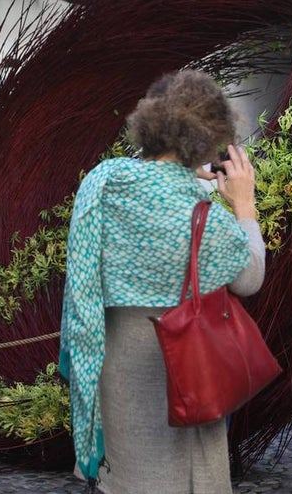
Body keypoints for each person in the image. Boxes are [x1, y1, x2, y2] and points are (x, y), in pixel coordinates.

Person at [59, 69, 267, 494]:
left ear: (149, 123)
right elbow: (250, 278)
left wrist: (184, 175)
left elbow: (147, 186)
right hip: (183, 371)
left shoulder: (102, 182)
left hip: (115, 366)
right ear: (209, 137)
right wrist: (245, 206)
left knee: (124, 477)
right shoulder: (203, 216)